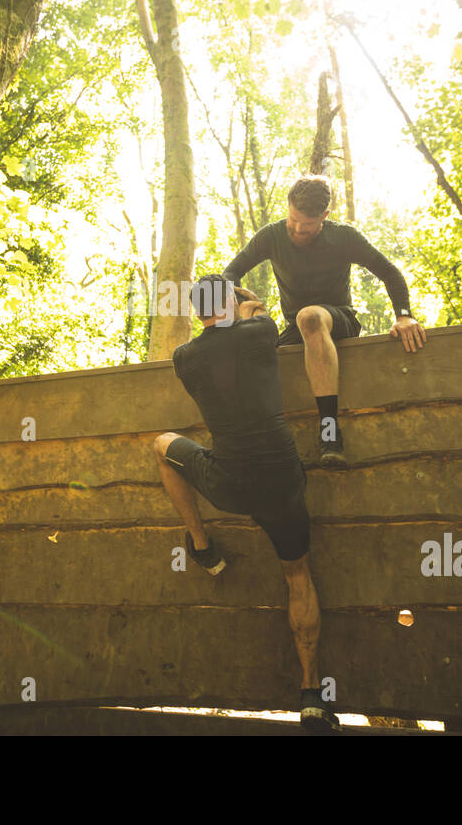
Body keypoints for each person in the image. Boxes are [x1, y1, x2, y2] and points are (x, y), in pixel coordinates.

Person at [153, 274, 339, 732]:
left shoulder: (184, 358)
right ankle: (312, 694)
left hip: (229, 483)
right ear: (234, 305)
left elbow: (215, 341)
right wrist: (248, 304)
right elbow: (256, 314)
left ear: (197, 314)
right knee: (298, 576)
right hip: (281, 484)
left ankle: (201, 547)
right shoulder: (260, 331)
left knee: (162, 444)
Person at [222, 175, 426, 467]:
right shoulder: (272, 235)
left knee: (310, 316)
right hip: (298, 331)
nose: (296, 229)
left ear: (324, 217)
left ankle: (329, 432)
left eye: (306, 225)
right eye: (293, 219)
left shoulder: (343, 236)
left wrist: (404, 316)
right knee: (253, 346)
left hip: (338, 319)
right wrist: (244, 308)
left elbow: (390, 272)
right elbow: (230, 274)